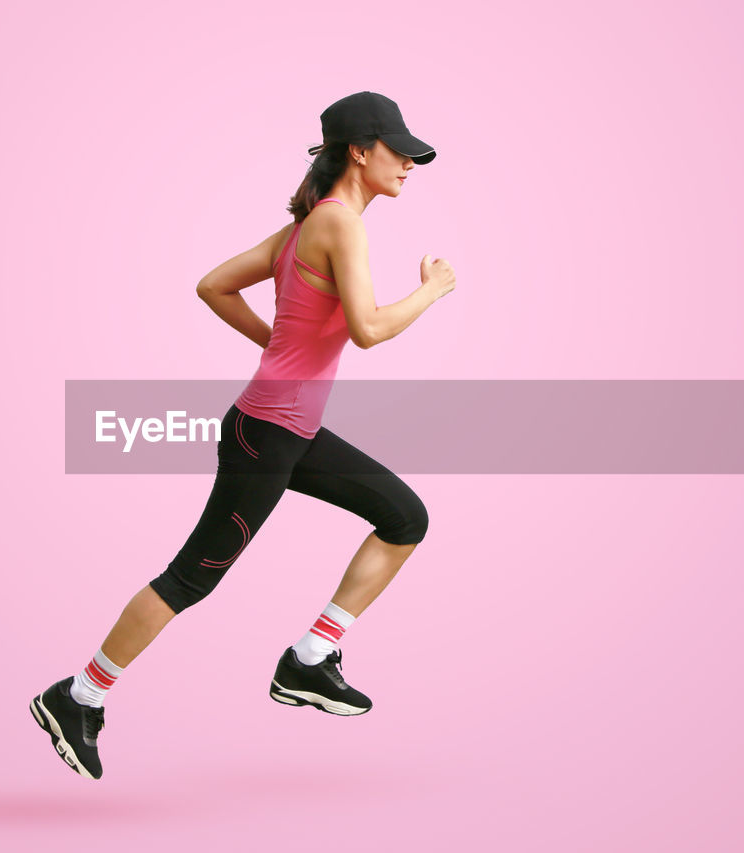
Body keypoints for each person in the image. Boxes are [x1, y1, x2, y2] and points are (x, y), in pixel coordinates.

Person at [31, 92, 457, 780]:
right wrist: (433, 289)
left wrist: (281, 348)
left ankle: (311, 658)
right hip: (267, 433)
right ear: (359, 150)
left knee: (405, 517)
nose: (409, 162)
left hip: (286, 427)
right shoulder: (340, 225)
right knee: (192, 578)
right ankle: (77, 695)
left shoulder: (300, 230)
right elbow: (371, 329)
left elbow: (212, 285)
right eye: (397, 149)